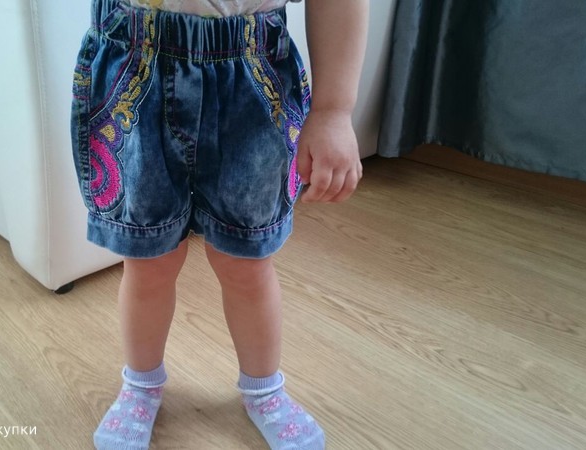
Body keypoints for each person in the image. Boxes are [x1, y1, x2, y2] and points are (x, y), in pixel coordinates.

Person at [71, 0, 369, 448]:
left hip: (254, 77)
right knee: (148, 261)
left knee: (247, 261)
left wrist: (334, 111)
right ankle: (141, 384)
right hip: (134, 66)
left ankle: (263, 389)